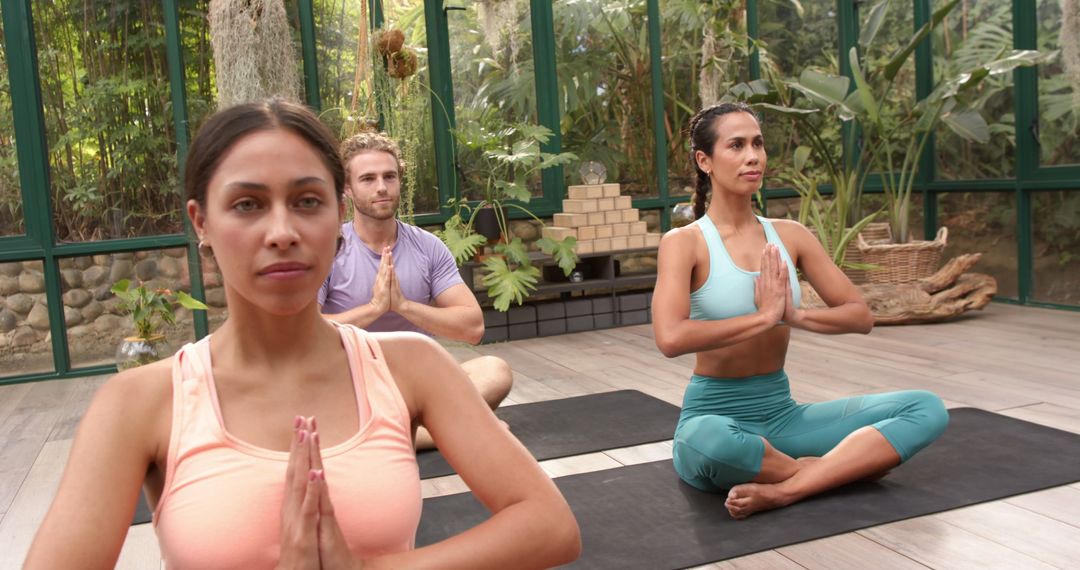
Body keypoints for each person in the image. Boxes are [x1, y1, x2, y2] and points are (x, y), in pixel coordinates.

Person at [25, 99, 580, 569]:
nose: (283, 232)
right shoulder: (141, 403)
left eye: (307, 201)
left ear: (336, 214)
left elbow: (550, 525)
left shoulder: (412, 365)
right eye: (247, 205)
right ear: (202, 223)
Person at [651, 102, 949, 519]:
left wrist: (795, 316)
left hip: (783, 415)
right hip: (715, 416)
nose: (752, 155)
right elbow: (670, 338)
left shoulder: (791, 235)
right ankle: (826, 471)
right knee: (710, 442)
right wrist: (762, 317)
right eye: (735, 145)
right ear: (705, 161)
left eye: (757, 144)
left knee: (926, 407)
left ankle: (788, 488)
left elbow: (859, 315)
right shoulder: (684, 242)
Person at [319, 132, 512, 449]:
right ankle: (440, 431)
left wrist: (404, 306)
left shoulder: (427, 246)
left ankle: (401, 433)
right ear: (347, 189)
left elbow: (473, 327)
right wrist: (374, 309)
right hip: (352, 386)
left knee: (495, 371)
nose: (381, 187)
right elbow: (306, 334)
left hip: (416, 383)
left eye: (389, 176)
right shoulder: (327, 249)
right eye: (368, 179)